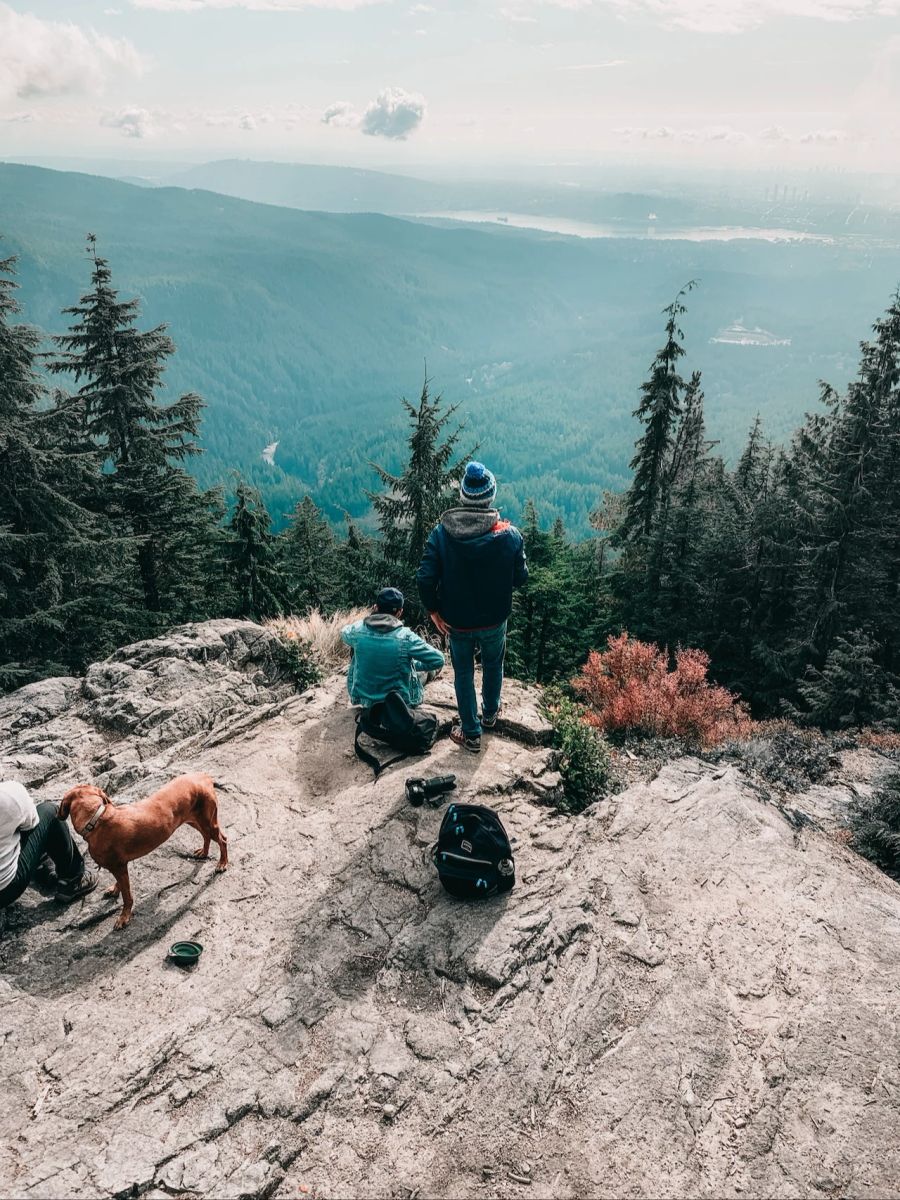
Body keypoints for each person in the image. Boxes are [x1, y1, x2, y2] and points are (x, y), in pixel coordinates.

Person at [417, 461, 528, 753]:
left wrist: (433, 611)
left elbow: (425, 578)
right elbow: (521, 578)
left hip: (457, 621)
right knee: (493, 663)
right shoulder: (510, 535)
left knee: (464, 672)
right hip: (494, 619)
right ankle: (490, 714)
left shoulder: (441, 534)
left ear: (464, 497)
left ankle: (471, 733)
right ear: (489, 497)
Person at [341, 586, 445, 710]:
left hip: (364, 700)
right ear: (400, 612)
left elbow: (344, 632)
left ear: (376, 607)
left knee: (357, 650)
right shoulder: (406, 637)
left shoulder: (357, 631)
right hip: (397, 703)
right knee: (426, 672)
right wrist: (411, 665)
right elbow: (438, 659)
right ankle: (430, 674)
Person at [0, 780, 97, 910]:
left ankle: (42, 864)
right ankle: (73, 879)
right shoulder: (8, 795)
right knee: (49, 812)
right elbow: (31, 824)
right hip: (6, 891)